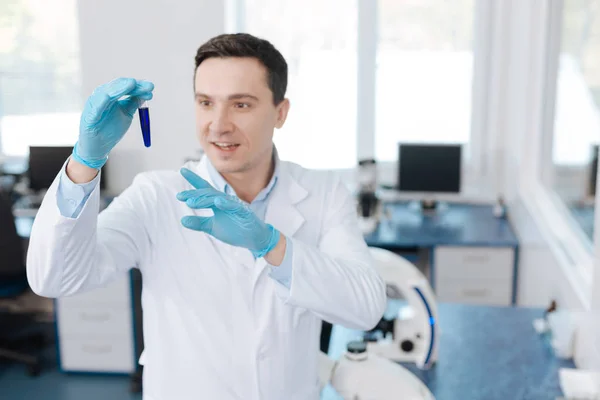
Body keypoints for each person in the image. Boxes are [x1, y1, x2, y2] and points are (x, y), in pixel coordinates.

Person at [26, 33, 386, 400]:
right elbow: (55, 278)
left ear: (281, 112)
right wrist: (85, 162)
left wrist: (270, 244)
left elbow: (366, 308)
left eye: (241, 105)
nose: (218, 124)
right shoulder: (156, 196)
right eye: (205, 102)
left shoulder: (323, 193)